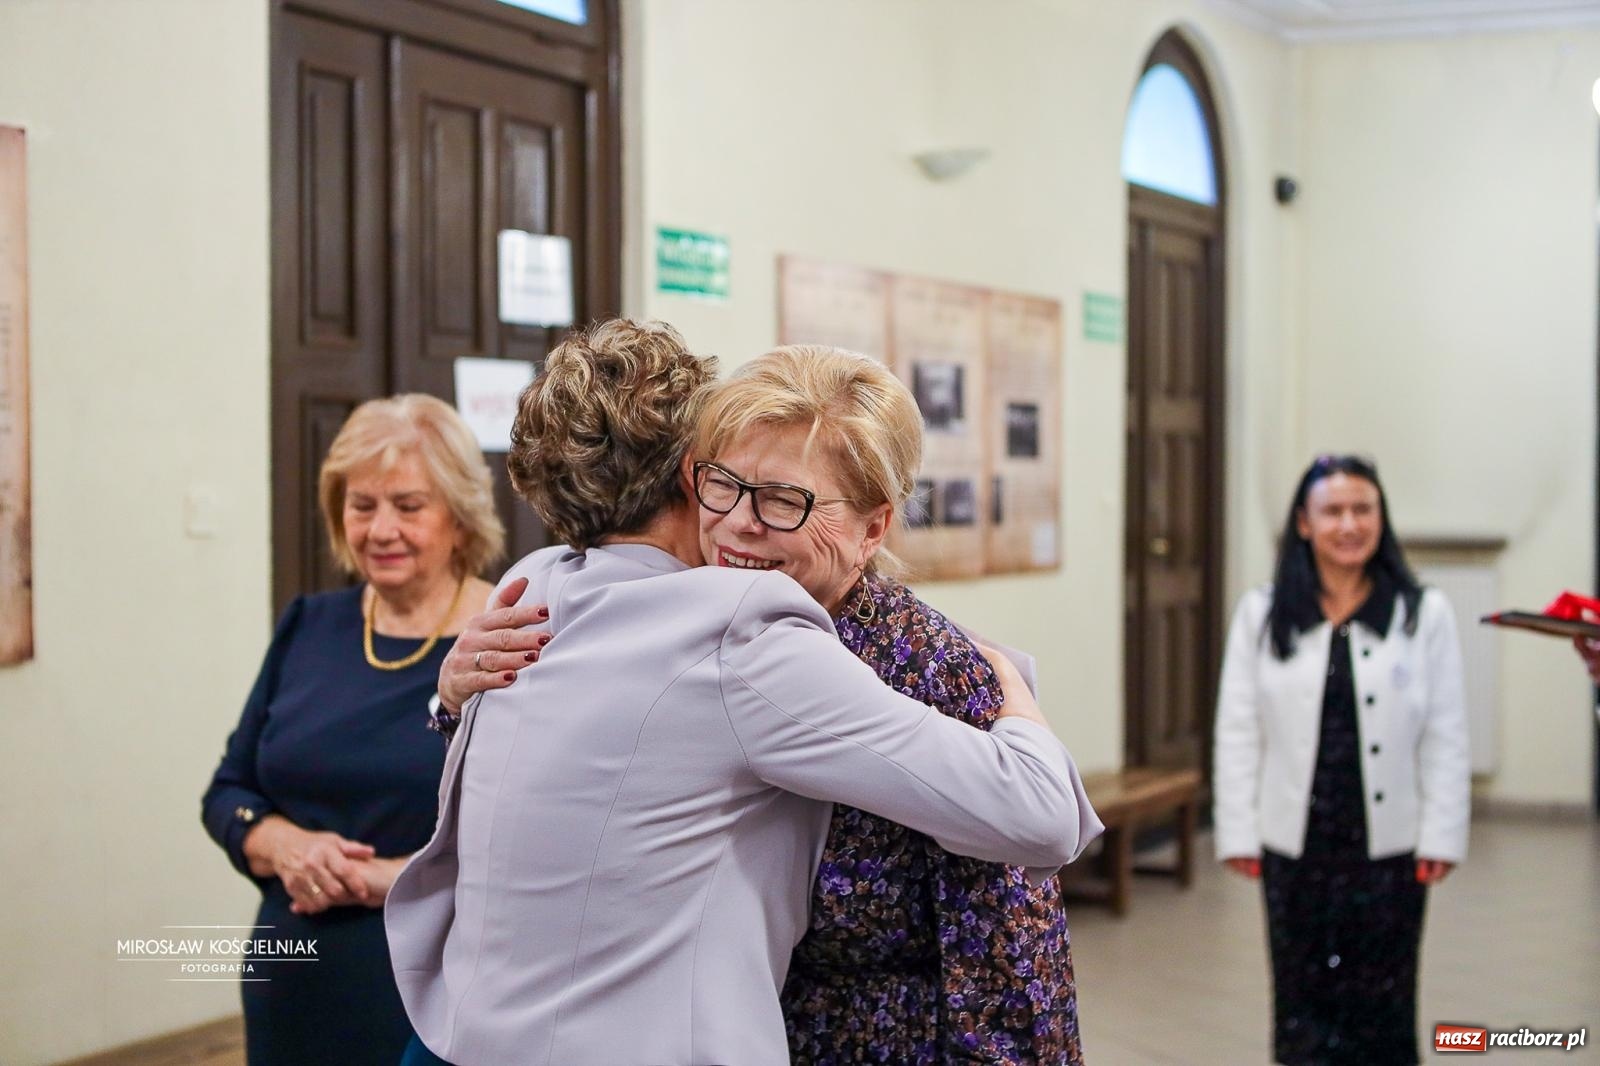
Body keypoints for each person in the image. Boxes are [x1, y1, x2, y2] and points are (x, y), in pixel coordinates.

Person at [387, 319, 1099, 1066]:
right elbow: (1044, 815)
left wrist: (1011, 704)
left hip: (464, 1030)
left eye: (784, 500)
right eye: (724, 484)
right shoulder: (725, 624)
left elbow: (1022, 874)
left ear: (872, 529)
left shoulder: (535, 580)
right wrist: (1018, 702)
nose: (741, 523)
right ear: (688, 475)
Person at [201, 395, 503, 1066]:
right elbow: (228, 790)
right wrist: (287, 847)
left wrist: (391, 879)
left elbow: (534, 840)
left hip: (431, 989)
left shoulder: (504, 638)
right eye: (362, 506)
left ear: (458, 516)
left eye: (408, 505)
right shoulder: (309, 624)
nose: (381, 529)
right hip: (290, 985)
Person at [1212, 454, 1470, 1066]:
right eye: (1333, 511)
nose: (1349, 524)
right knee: (1301, 994)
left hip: (1391, 845)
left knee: (1384, 999)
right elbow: (1238, 729)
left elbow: (1446, 732)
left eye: (1363, 509)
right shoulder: (1264, 613)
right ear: (1304, 522)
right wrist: (1238, 831)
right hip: (1293, 841)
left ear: (1382, 518)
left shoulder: (1421, 613)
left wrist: (1442, 833)